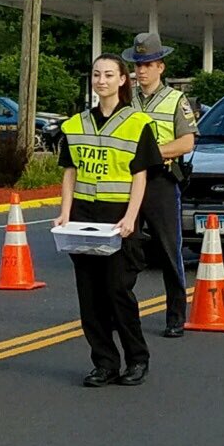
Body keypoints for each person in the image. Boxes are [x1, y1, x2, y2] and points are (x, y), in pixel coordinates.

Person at [55, 54, 162, 387]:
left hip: (118, 218)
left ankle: (137, 359)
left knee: (117, 292)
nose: (101, 80)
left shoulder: (138, 123)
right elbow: (70, 173)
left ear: (122, 80)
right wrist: (64, 211)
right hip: (84, 217)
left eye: (109, 75)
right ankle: (104, 362)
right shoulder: (75, 125)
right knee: (89, 296)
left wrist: (131, 217)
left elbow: (140, 176)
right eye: (96, 74)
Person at [124, 32, 198, 339]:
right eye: (138, 64)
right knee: (125, 248)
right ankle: (123, 312)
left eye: (148, 64)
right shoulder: (126, 99)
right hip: (128, 182)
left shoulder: (175, 100)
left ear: (161, 68)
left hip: (160, 181)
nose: (141, 70)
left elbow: (187, 141)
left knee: (169, 250)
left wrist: (153, 153)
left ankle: (176, 315)